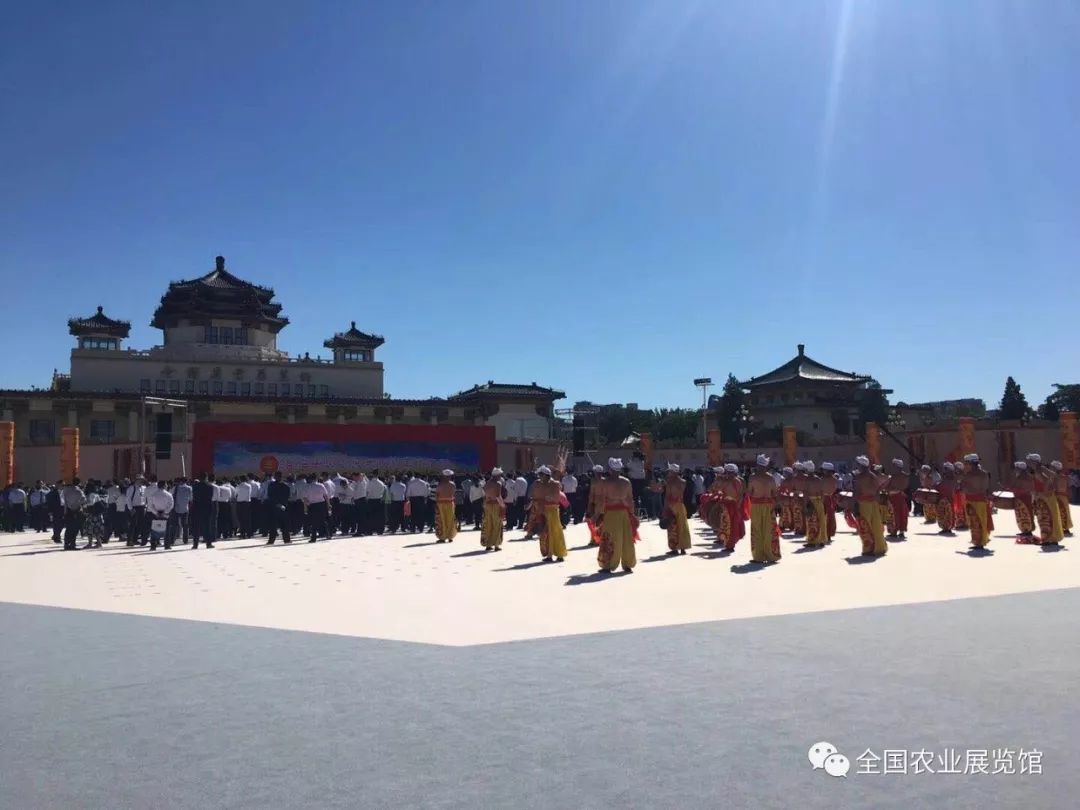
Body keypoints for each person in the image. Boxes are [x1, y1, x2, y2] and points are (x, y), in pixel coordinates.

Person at [596, 458, 636, 574]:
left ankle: (608, 564)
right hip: (624, 513)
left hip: (611, 513)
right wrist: (632, 514)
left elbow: (601, 501)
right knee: (626, 539)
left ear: (610, 469)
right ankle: (628, 564)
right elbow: (630, 500)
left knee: (609, 538)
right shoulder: (626, 482)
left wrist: (598, 515)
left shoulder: (605, 483)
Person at [532, 462, 568, 562]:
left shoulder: (555, 484)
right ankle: (548, 554)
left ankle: (560, 554)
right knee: (544, 533)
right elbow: (535, 496)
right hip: (542, 510)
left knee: (555, 531)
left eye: (540, 475)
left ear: (546, 475)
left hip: (552, 510)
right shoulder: (538, 484)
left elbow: (556, 497)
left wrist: (546, 498)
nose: (539, 477)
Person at [747, 455, 780, 563]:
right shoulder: (771, 478)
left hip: (756, 505)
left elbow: (749, 493)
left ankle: (758, 556)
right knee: (769, 530)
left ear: (757, 465)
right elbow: (775, 494)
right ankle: (771, 555)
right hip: (769, 506)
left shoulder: (752, 477)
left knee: (757, 530)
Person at [853, 455, 888, 556]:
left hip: (863, 503)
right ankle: (879, 548)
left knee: (865, 526)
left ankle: (869, 549)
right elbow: (878, 491)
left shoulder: (859, 478)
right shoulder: (874, 476)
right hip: (873, 503)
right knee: (876, 526)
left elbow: (856, 492)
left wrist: (854, 505)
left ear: (861, 465)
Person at [1027, 454, 1064, 545]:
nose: (1028, 463)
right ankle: (1053, 538)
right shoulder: (1041, 468)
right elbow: (1054, 476)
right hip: (1046, 497)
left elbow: (1047, 480)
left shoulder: (1039, 470)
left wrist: (1044, 490)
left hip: (1044, 497)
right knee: (1050, 517)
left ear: (1034, 461)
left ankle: (1047, 539)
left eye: (1030, 461)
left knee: (1045, 518)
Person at [959, 454, 993, 549]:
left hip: (971, 500)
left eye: (966, 463)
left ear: (970, 464)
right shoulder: (984, 474)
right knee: (982, 521)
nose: (966, 465)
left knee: (974, 522)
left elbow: (963, 489)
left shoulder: (968, 475)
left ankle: (978, 541)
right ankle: (981, 541)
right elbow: (986, 488)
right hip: (982, 500)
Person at [662, 463, 691, 556]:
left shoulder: (669, 482)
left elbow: (667, 496)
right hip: (681, 505)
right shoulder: (683, 482)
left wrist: (665, 509)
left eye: (670, 471)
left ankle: (674, 548)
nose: (668, 473)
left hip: (672, 505)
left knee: (672, 527)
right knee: (682, 527)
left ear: (673, 472)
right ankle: (683, 548)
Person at [802, 461, 828, 547]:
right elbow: (822, 493)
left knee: (811, 521)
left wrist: (805, 505)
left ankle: (812, 540)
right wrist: (821, 502)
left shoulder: (806, 480)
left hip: (811, 501)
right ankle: (822, 540)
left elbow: (805, 494)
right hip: (819, 501)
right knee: (821, 520)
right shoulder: (818, 479)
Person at [884, 459, 910, 540]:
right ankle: (901, 531)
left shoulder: (893, 477)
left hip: (894, 497)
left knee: (894, 514)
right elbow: (905, 487)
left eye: (894, 465)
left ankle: (894, 531)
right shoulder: (905, 476)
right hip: (900, 496)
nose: (893, 467)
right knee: (901, 514)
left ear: (897, 466)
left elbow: (888, 487)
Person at [481, 468, 505, 551]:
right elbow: (498, 496)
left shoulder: (487, 484)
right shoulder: (498, 484)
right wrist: (502, 505)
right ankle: (496, 545)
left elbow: (485, 495)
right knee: (497, 524)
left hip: (487, 505)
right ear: (497, 475)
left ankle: (488, 544)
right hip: (496, 505)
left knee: (489, 524)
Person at [146, 480, 175, 550]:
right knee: (167, 530)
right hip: (165, 514)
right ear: (164, 486)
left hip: (156, 514)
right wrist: (165, 512)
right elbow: (171, 505)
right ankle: (167, 545)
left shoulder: (153, 495)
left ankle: (153, 545)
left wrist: (156, 512)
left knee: (154, 529)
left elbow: (150, 506)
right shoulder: (168, 494)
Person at [265, 470, 292, 545]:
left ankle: (271, 540)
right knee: (284, 525)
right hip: (283, 507)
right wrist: (282, 504)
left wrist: (276, 504)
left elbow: (270, 496)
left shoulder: (271, 485)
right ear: (281, 477)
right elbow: (287, 496)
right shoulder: (286, 486)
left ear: (275, 477)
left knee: (273, 525)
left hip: (273, 507)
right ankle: (286, 539)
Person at [60, 477, 87, 551]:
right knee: (75, 528)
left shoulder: (65, 490)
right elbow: (84, 500)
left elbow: (62, 500)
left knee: (68, 528)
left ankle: (66, 544)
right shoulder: (79, 491)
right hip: (77, 511)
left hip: (68, 511)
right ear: (78, 483)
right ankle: (72, 544)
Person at [303, 474, 331, 542]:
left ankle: (313, 538)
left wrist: (305, 508)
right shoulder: (321, 485)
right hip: (321, 504)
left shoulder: (307, 487)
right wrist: (328, 504)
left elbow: (305, 498)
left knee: (313, 522)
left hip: (312, 505)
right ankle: (328, 534)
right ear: (316, 479)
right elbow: (326, 496)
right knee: (323, 520)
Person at [191, 472, 215, 549]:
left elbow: (194, 496)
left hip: (196, 507)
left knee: (196, 527)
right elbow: (210, 498)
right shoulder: (210, 486)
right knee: (207, 526)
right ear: (206, 478)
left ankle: (195, 544)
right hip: (206, 507)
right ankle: (208, 543)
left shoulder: (194, 486)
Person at [1050, 461, 1073, 537]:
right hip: (1064, 497)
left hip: (1058, 496)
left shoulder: (1055, 477)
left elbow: (1053, 488)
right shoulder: (1065, 477)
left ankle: (1063, 528)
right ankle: (1065, 528)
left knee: (1060, 512)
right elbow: (1068, 488)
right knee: (1065, 512)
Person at [434, 470, 457, 543]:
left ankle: (442, 536)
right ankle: (450, 536)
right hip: (450, 503)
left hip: (441, 503)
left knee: (442, 520)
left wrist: (436, 503)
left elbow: (437, 495)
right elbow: (453, 493)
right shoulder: (452, 484)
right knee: (450, 519)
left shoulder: (440, 485)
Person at [935, 463, 958, 535]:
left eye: (946, 469)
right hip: (943, 498)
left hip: (949, 498)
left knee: (948, 513)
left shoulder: (952, 478)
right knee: (943, 513)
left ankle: (948, 528)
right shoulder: (947, 478)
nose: (944, 471)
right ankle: (945, 528)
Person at [820, 462, 839, 541]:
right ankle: (829, 534)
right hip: (831, 498)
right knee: (830, 516)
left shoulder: (822, 479)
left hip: (824, 498)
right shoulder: (835, 479)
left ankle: (824, 534)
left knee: (824, 516)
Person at [172, 477, 192, 545]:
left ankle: (173, 539)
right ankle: (185, 540)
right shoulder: (189, 488)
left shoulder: (175, 488)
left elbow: (171, 495)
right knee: (185, 525)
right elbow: (191, 498)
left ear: (180, 481)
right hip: (185, 509)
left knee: (175, 525)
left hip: (176, 509)